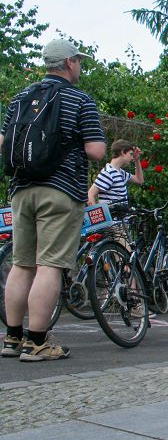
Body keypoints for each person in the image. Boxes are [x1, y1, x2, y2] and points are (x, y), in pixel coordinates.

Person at [1, 38, 106, 361]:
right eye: (79, 61)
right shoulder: (79, 100)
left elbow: (4, 143)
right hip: (60, 192)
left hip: (21, 190)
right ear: (69, 63)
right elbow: (96, 150)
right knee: (50, 265)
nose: (80, 67)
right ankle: (37, 342)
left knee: (21, 264)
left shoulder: (20, 98)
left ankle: (13, 338)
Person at [87, 140, 143, 206]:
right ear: (122, 152)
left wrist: (137, 160)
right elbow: (90, 194)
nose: (132, 158)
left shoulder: (121, 172)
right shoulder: (108, 172)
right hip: (112, 215)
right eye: (131, 154)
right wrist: (97, 215)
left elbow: (139, 180)